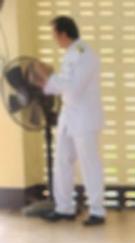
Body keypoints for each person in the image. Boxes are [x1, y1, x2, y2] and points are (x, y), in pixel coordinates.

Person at [31, 16, 106, 226]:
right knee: (62, 161)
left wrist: (49, 77)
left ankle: (97, 211)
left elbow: (73, 88)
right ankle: (64, 208)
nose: (55, 39)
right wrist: (44, 81)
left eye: (55, 35)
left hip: (84, 117)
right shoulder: (71, 54)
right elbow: (62, 86)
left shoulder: (85, 54)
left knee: (89, 164)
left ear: (63, 34)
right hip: (69, 116)